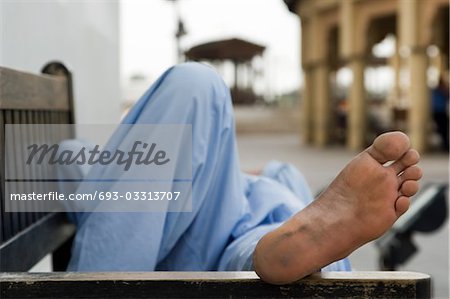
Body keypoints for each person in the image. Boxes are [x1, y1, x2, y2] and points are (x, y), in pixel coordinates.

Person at [60, 62, 422, 285]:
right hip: (224, 230)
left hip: (234, 218)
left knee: (278, 182)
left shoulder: (88, 165)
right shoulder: (77, 161)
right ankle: (307, 254)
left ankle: (295, 245)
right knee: (197, 85)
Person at [431, 76, 449, 151]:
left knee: (443, 129)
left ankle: (445, 144)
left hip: (440, 111)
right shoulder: (438, 90)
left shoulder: (437, 90)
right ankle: (445, 145)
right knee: (442, 129)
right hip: (439, 112)